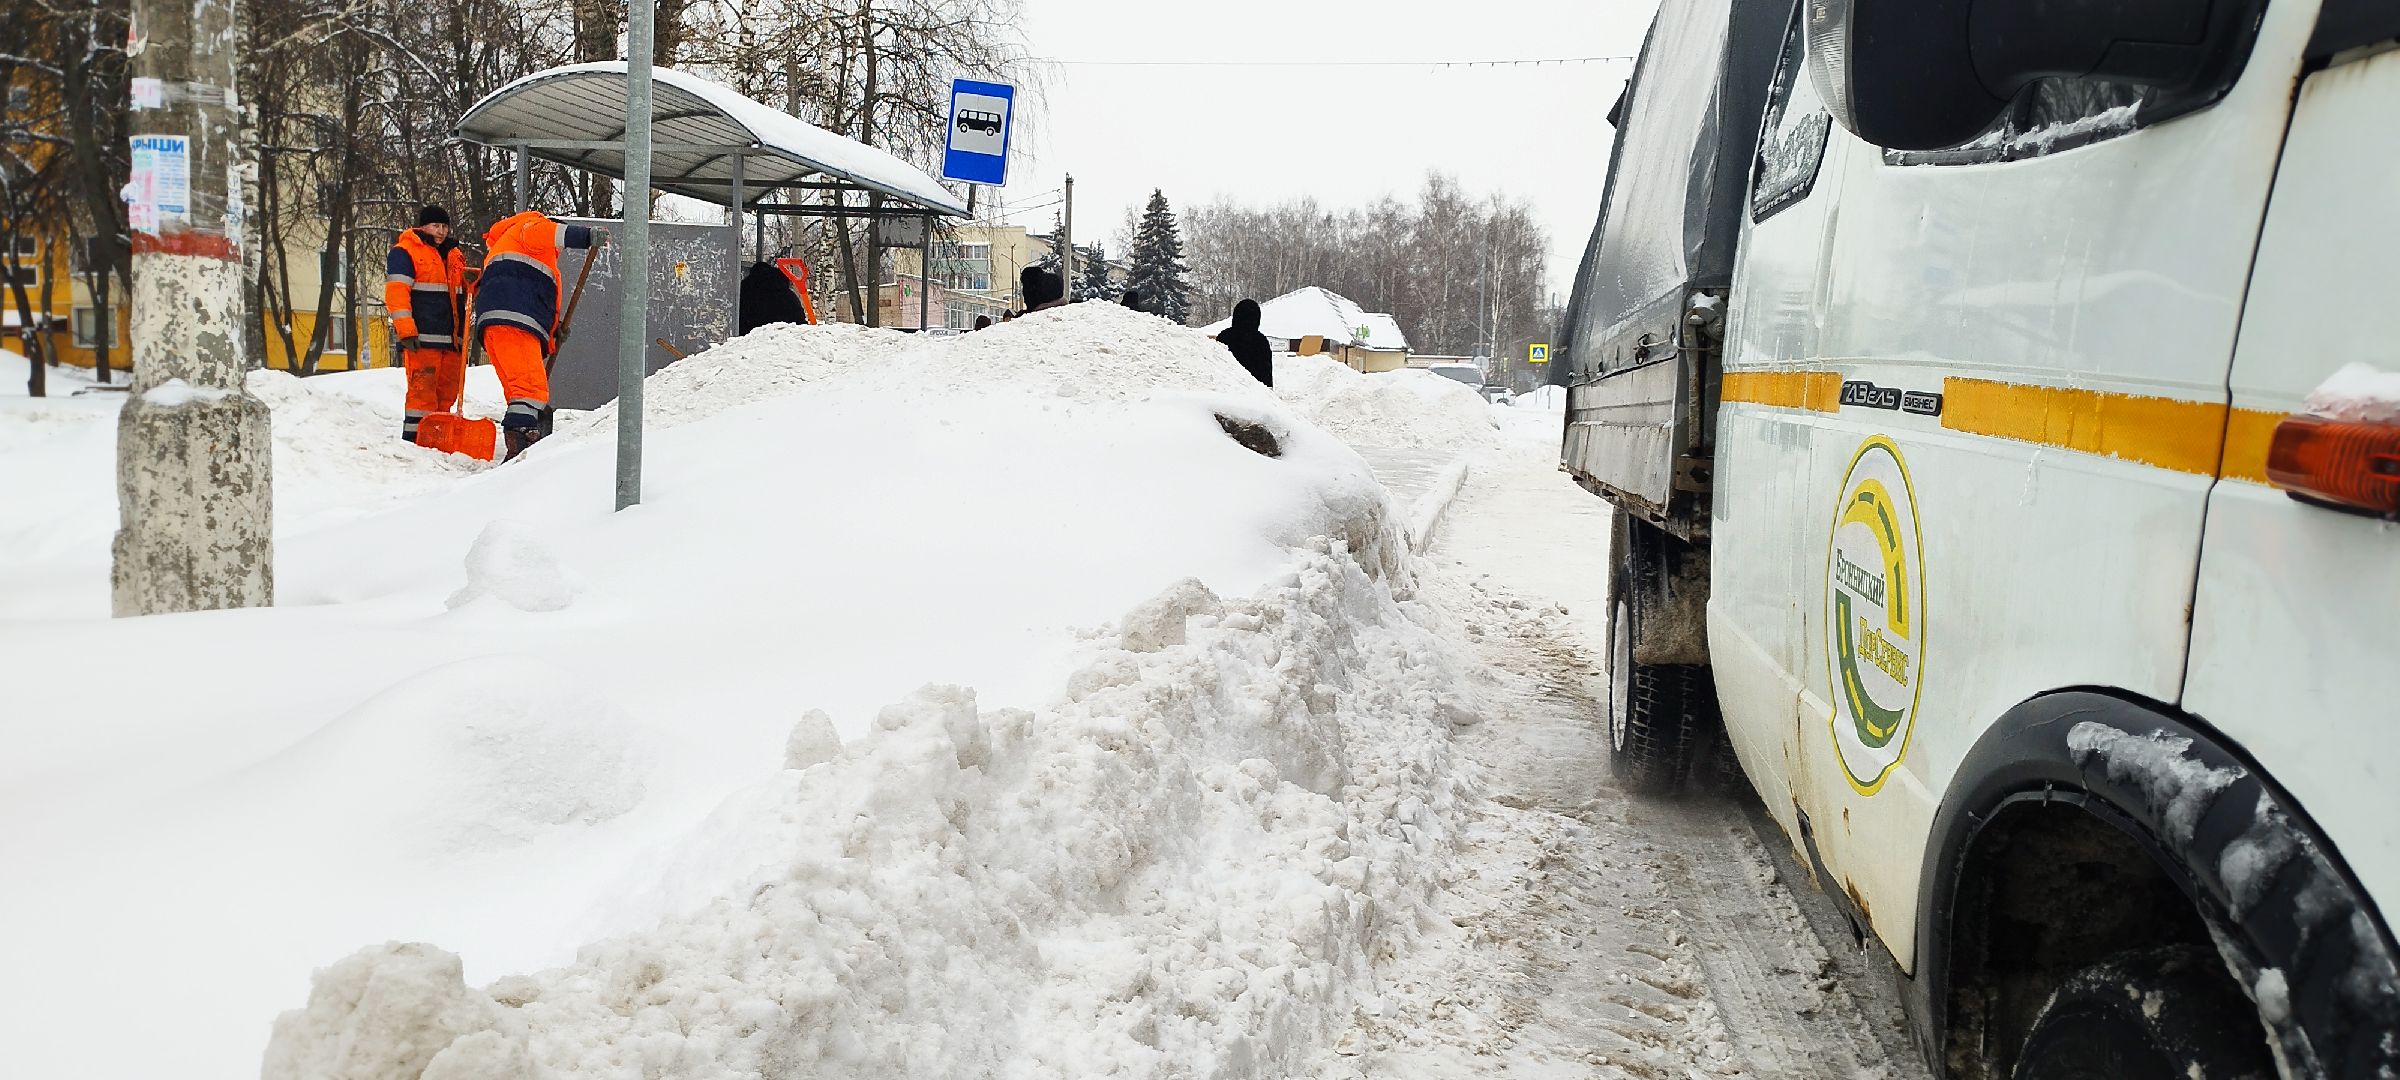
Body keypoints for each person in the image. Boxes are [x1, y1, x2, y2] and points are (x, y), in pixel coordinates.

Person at [474, 209, 602, 459]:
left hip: (497, 323)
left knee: (517, 390)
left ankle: (523, 431)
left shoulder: (514, 249)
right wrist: (586, 236)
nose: (559, 250)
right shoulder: (530, 228)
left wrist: (554, 334)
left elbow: (541, 302)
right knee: (530, 388)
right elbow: (547, 232)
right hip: (514, 320)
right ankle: (521, 443)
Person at [386, 206, 473, 444]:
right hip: (422, 338)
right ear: (423, 226)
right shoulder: (405, 252)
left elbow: (462, 293)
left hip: (451, 339)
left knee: (446, 393)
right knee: (422, 391)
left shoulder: (454, 256)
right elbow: (397, 292)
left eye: (444, 226)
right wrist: (406, 330)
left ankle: (437, 437)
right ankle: (415, 441)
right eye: (436, 226)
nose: (441, 231)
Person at [1217, 298, 1273, 388]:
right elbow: (1265, 374)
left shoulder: (1224, 337)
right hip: (1253, 395)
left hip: (1225, 391)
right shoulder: (1260, 342)